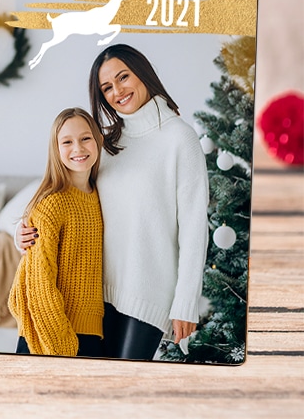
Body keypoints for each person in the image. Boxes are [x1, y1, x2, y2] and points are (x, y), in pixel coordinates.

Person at [18, 44, 209, 360]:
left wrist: (186, 301)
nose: (117, 91)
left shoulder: (180, 138)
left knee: (123, 387)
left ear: (143, 73)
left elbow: (194, 228)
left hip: (148, 294)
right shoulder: (106, 143)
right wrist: (22, 235)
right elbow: (65, 197)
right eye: (107, 87)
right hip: (95, 297)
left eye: (123, 77)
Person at [8, 107, 105, 357]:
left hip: (89, 332)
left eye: (85, 138)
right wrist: (61, 347)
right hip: (52, 336)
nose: (78, 148)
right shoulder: (53, 204)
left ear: (97, 140)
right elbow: (39, 283)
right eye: (67, 142)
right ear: (56, 149)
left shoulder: (98, 194)